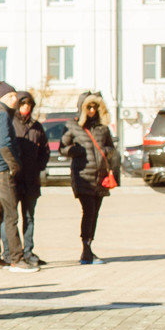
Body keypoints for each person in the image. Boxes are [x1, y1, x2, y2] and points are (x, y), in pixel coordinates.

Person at [60, 90, 118, 265]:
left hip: (100, 176)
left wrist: (106, 152)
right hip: (83, 175)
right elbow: (62, 147)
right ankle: (86, 249)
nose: (92, 110)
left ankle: (89, 246)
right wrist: (76, 151)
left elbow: (111, 147)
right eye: (89, 107)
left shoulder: (102, 128)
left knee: (95, 213)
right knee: (89, 211)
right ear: (82, 108)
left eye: (95, 107)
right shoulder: (73, 126)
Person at [0, 82, 34, 272]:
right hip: (1, 170)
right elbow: (4, 143)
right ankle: (16, 259)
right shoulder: (2, 114)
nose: (15, 99)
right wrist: (14, 165)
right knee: (11, 215)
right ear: (3, 98)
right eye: (12, 96)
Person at [6, 92, 49, 266]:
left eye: (29, 104)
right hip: (14, 179)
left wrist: (38, 166)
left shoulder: (36, 126)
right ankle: (9, 252)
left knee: (29, 217)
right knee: (11, 218)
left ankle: (28, 251)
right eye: (23, 104)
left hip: (31, 179)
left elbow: (45, 150)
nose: (26, 107)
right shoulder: (10, 123)